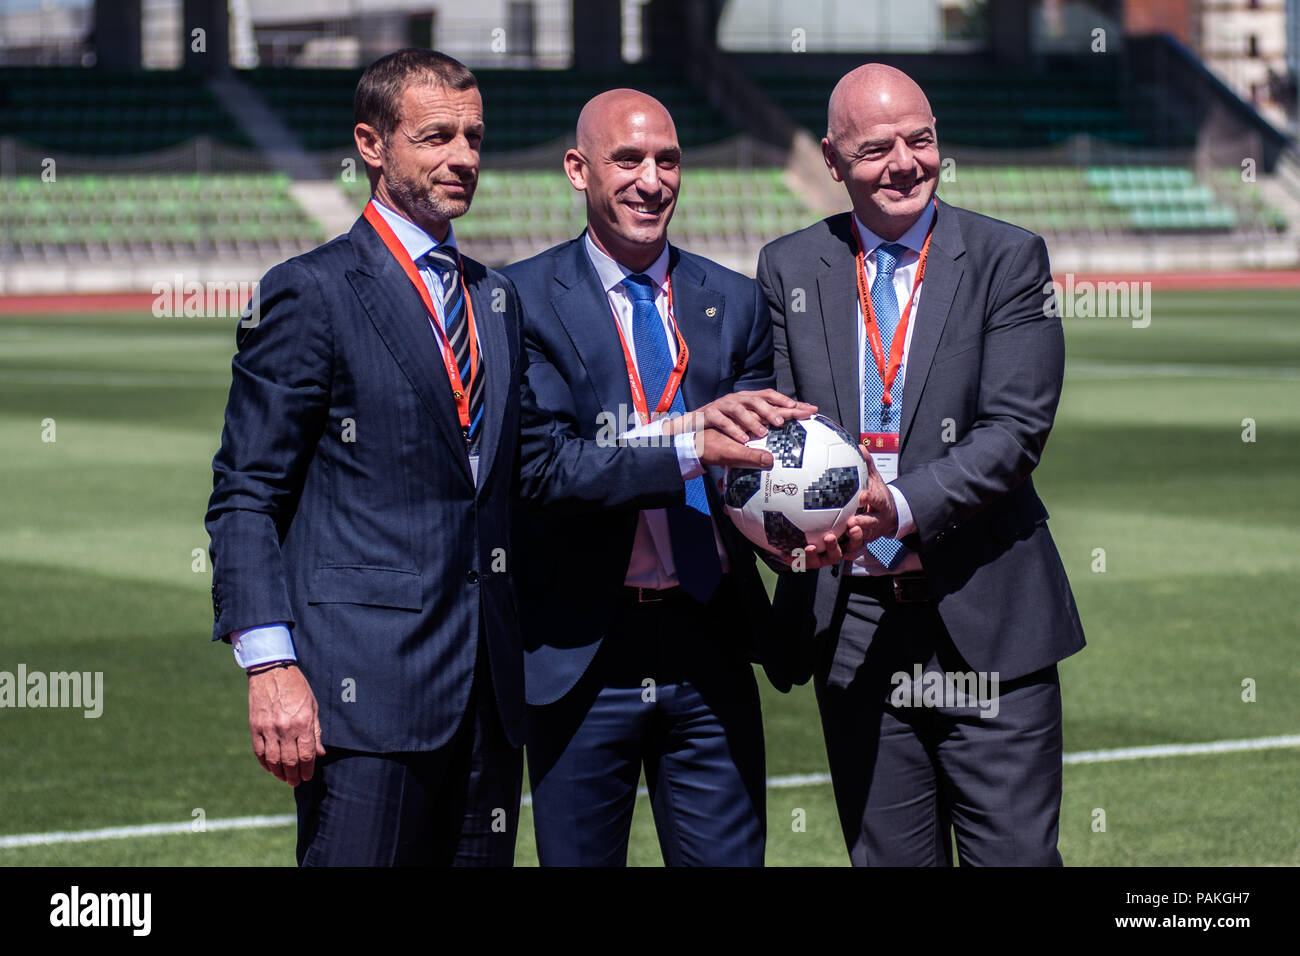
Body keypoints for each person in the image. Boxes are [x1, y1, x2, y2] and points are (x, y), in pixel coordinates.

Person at [205, 51, 771, 867]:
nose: (463, 156)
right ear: (372, 144)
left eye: (473, 136)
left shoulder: (492, 297)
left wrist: (688, 447)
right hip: (366, 698)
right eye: (436, 136)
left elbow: (538, 469)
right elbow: (245, 495)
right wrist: (271, 666)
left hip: (493, 699)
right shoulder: (310, 291)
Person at [756, 63, 1086, 866]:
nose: (905, 162)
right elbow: (777, 439)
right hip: (855, 625)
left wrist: (895, 506)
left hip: (988, 615)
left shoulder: (1009, 259)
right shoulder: (790, 267)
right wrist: (781, 526)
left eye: (922, 139)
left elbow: (1013, 432)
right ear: (832, 162)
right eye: (876, 148)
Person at [502, 90, 816, 866]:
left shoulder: (736, 303)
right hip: (581, 649)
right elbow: (546, 469)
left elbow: (762, 466)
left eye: (668, 160)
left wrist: (808, 524)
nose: (652, 180)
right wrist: (691, 442)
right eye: (628, 160)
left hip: (708, 637)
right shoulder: (520, 300)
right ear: (579, 170)